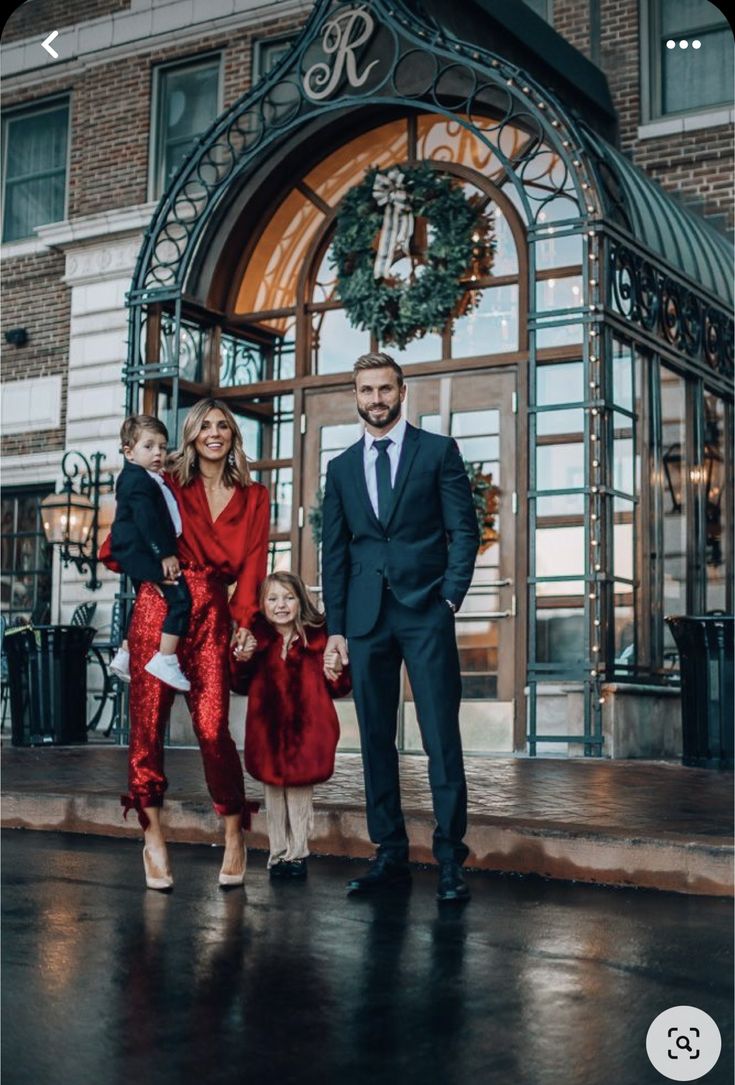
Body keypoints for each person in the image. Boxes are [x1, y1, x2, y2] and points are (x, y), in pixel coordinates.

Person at [321, 352, 479, 903]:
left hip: (425, 612)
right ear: (356, 396)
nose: (376, 400)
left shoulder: (438, 452)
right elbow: (334, 553)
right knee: (375, 743)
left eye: (385, 389)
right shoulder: (340, 469)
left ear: (402, 391)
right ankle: (388, 853)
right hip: (365, 620)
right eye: (366, 390)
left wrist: (450, 599)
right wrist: (336, 628)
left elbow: (465, 531)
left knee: (441, 737)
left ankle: (450, 858)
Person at [104, 398, 269, 892]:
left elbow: (255, 563)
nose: (214, 433)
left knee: (214, 727)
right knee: (147, 726)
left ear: (233, 436)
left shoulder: (254, 495)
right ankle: (152, 834)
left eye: (223, 426)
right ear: (193, 436)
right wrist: (152, 574)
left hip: (215, 613)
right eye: (205, 426)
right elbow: (123, 536)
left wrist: (245, 620)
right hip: (160, 607)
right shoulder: (167, 482)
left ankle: (235, 831)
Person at [231, 572, 351, 879]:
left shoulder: (319, 638)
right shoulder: (258, 639)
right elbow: (239, 682)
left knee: (299, 791)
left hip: (307, 729)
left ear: (301, 600)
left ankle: (298, 853)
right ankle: (277, 852)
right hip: (267, 729)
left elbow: (339, 687)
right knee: (273, 791)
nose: (281, 605)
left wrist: (336, 670)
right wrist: (241, 659)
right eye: (272, 599)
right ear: (262, 604)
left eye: (288, 597)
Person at [108, 414, 191, 691]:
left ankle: (124, 653)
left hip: (136, 554)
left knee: (141, 601)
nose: (158, 452)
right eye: (149, 446)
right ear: (128, 452)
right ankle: (166, 658)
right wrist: (164, 554)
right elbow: (147, 522)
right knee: (180, 599)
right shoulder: (138, 481)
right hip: (146, 553)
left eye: (162, 447)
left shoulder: (146, 476)